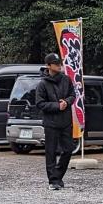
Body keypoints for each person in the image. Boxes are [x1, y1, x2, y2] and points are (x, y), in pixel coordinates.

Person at [32, 53, 77, 190]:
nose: (59, 65)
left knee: (68, 149)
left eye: (60, 63)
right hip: (51, 122)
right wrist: (57, 106)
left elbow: (72, 95)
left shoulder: (66, 79)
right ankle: (53, 181)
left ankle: (57, 176)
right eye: (56, 63)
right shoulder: (42, 84)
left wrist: (67, 102)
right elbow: (40, 103)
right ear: (48, 65)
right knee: (51, 152)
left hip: (65, 121)